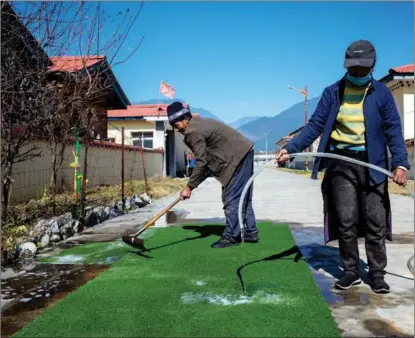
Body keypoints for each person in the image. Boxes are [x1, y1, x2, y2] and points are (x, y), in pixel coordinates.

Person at [276, 40, 410, 294]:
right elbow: (314, 126)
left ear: (372, 67)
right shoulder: (332, 93)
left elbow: (393, 129)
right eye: (353, 70)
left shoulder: (381, 93)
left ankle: (377, 274)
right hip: (341, 164)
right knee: (346, 219)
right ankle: (350, 272)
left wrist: (401, 164)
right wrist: (290, 149)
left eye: (363, 70)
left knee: (375, 221)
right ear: (346, 66)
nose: (357, 74)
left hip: (373, 165)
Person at [167, 101, 259, 248]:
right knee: (244, 197)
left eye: (176, 125)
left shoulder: (193, 132)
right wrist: (192, 185)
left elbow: (201, 162)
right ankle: (250, 231)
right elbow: (207, 165)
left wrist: (189, 187)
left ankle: (232, 236)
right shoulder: (198, 124)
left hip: (236, 158)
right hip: (244, 152)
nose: (176, 129)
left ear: (184, 119)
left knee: (231, 198)